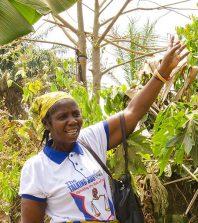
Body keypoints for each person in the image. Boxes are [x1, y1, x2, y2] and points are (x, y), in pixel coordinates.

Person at [19, 36, 188, 223]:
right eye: (62, 117)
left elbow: (131, 112)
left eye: (76, 114)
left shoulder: (89, 140)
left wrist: (162, 72)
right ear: (47, 124)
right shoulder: (36, 168)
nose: (73, 121)